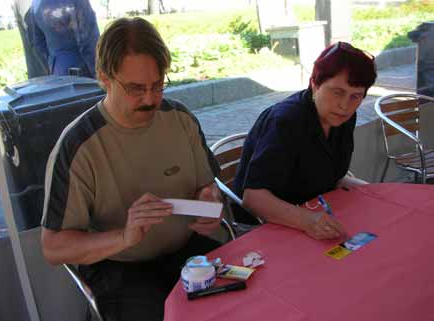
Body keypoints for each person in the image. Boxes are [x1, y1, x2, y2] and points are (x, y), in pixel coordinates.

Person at [41, 17, 224, 321]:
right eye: (136, 88)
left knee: (249, 295)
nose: (150, 99)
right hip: (122, 266)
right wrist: (124, 237)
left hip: (186, 253)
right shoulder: (79, 145)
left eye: (158, 85)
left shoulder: (180, 119)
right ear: (104, 78)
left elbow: (207, 186)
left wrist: (209, 201)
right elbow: (53, 248)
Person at [233, 42, 377, 240]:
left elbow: (331, 175)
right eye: (337, 92)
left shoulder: (342, 117)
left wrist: (370, 190)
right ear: (314, 84)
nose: (345, 105)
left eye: (356, 96)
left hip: (315, 208)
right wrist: (308, 221)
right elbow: (253, 198)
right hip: (264, 225)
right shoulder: (286, 121)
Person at [30, 0, 99, 77]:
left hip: (57, 68)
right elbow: (88, 40)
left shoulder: (35, 3)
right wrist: (98, 72)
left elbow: (39, 41)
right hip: (83, 69)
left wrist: (53, 62)